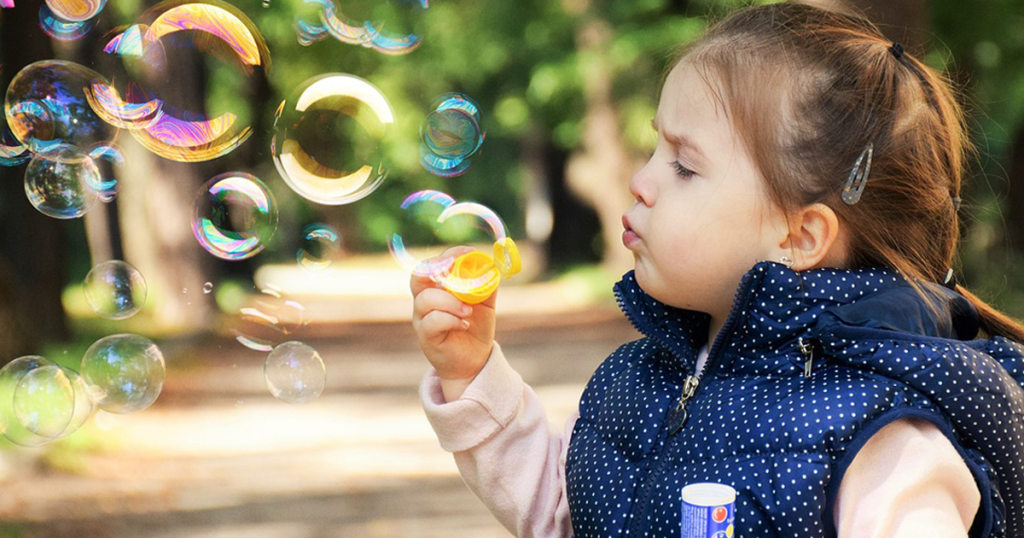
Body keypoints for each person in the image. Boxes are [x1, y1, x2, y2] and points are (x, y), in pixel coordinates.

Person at [410, 2, 1024, 537]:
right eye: (655, 148)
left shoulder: (882, 434)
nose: (640, 180)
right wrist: (473, 374)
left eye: (683, 166)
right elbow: (565, 516)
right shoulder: (643, 378)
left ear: (799, 235)